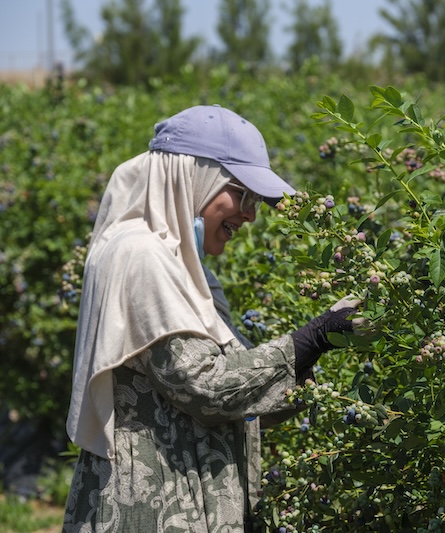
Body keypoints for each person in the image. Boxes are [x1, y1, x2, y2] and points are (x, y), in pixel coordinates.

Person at [62, 104, 361, 532]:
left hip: (180, 501)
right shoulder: (140, 255)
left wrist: (314, 366)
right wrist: (314, 337)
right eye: (242, 194)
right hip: (151, 510)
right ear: (195, 176)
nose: (251, 214)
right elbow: (206, 387)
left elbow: (244, 402)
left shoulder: (187, 271)